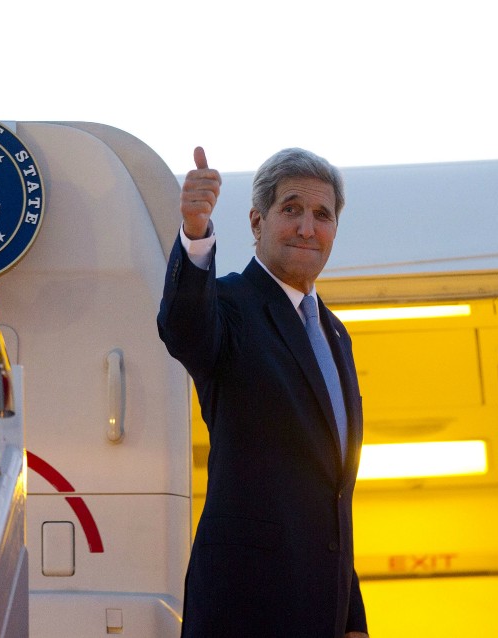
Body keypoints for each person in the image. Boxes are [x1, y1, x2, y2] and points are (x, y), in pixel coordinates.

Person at [158, 146, 369, 637]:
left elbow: (334, 498)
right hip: (246, 609)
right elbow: (183, 326)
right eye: (291, 209)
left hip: (324, 614)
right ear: (257, 222)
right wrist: (194, 232)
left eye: (322, 215)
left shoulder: (335, 334)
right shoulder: (228, 304)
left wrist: (352, 618)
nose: (307, 227)